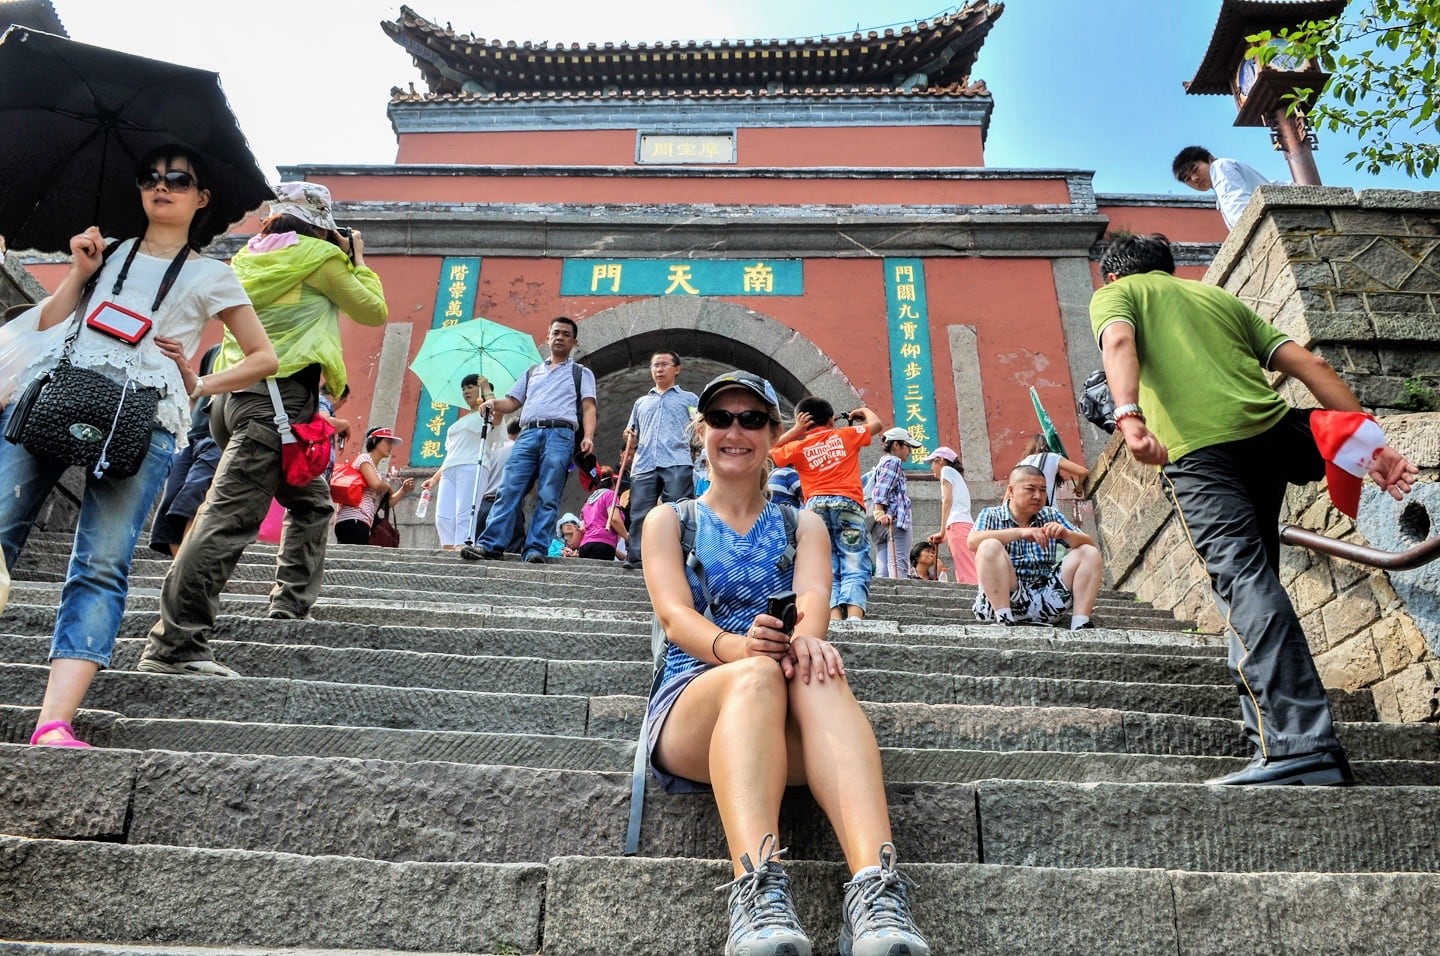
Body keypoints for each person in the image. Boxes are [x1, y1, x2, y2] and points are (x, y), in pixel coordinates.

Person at [1090, 232, 1417, 786]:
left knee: (1243, 582)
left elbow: (1118, 342)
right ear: (1171, 268)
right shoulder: (1218, 298)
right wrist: (1373, 442)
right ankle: (1269, 738)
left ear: (1115, 276)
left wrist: (1128, 416)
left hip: (1200, 455)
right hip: (1270, 437)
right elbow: (1312, 365)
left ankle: (1300, 746)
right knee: (1251, 583)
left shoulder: (1118, 295)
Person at [642, 370, 929, 956]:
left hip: (787, 714)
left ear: (774, 433)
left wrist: (802, 641)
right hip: (693, 706)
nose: (735, 431)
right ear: (702, 432)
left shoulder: (804, 525)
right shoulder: (670, 521)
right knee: (757, 673)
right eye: (721, 419)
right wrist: (743, 649)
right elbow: (675, 617)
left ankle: (877, 894)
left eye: (751, 419)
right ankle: (756, 890)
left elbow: (815, 603)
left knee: (818, 666)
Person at [1, 145, 278, 746]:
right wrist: (79, 270)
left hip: (143, 417)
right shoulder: (107, 252)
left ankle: (54, 722)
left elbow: (264, 358)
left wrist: (199, 381)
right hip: (58, 391)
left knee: (100, 564)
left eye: (179, 179)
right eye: (151, 177)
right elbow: (48, 324)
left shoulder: (213, 275)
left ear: (201, 197)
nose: (162, 186)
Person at [138, 181, 389, 674]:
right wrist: (357, 258)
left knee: (312, 503)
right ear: (322, 222)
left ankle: (289, 605)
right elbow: (373, 311)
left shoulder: (249, 256)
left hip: (231, 399)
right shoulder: (321, 259)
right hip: (278, 401)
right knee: (225, 518)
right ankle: (174, 645)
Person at [472, 316, 596, 564]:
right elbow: (512, 403)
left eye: (565, 334)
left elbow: (589, 406)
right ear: (548, 337)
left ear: (574, 341)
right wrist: (493, 402)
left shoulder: (580, 373)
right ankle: (490, 544)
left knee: (548, 494)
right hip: (528, 433)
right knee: (508, 490)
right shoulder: (531, 373)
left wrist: (589, 436)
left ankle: (535, 548)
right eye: (555, 333)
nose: (559, 337)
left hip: (560, 434)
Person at [771, 398, 883, 620]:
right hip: (848, 506)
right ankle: (854, 616)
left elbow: (769, 449)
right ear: (832, 420)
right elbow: (877, 425)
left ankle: (833, 617)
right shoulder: (845, 435)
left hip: (816, 511)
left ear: (803, 422)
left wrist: (795, 431)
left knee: (825, 563)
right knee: (853, 558)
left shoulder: (799, 446)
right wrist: (864, 410)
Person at [970, 464, 1104, 631]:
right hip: (1005, 597)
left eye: (1042, 490)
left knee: (1088, 552)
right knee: (989, 545)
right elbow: (972, 542)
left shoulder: (1050, 515)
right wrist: (1020, 532)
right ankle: (1004, 620)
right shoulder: (991, 514)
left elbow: (1090, 545)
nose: (1037, 496)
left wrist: (1065, 534)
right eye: (1030, 489)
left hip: (1046, 600)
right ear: (1011, 491)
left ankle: (1080, 623)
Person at [621, 350, 699, 570]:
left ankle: (680, 558)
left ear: (677, 369)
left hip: (677, 460)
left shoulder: (690, 399)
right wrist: (629, 437)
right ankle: (636, 557)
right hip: (644, 463)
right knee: (639, 514)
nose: (659, 369)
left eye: (664, 364)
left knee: (679, 512)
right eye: (655, 365)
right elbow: (631, 432)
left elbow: (699, 427)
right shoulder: (641, 402)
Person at [148, 343, 223, 556]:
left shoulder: (255, 352)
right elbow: (196, 391)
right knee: (172, 498)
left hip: (220, 436)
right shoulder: (213, 351)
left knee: (193, 495)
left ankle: (186, 567)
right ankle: (178, 567)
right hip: (191, 435)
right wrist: (181, 426)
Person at [422, 373, 495, 549]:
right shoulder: (459, 423)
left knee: (465, 513)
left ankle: (463, 546)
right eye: (463, 388)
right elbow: (450, 454)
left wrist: (486, 388)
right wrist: (434, 478)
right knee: (443, 516)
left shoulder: (487, 415)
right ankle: (448, 549)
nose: (466, 391)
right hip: (450, 470)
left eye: (470, 387)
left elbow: (496, 411)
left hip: (472, 466)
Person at [333, 427, 415, 545]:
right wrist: (388, 487)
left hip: (363, 521)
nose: (390, 446)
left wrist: (403, 490)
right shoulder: (364, 458)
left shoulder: (377, 474)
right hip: (354, 518)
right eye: (387, 442)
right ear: (375, 441)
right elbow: (376, 484)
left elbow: (387, 504)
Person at [1173, 145, 1271, 230]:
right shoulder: (1218, 194)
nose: (1194, 178)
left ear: (1210, 159)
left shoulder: (1219, 166)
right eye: (1187, 178)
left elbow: (1238, 207)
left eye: (1195, 169)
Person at [869, 426, 922, 579]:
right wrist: (879, 511)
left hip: (879, 525)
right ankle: (901, 598)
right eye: (908, 446)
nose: (910, 451)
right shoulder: (893, 461)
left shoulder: (881, 463)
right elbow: (882, 487)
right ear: (896, 445)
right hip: (894, 520)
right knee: (898, 565)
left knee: (883, 568)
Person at [923, 446, 977, 585]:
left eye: (932, 463)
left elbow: (947, 501)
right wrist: (944, 535)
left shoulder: (946, 470)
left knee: (965, 569)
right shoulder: (957, 476)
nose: (931, 468)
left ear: (940, 460)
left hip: (957, 525)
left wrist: (942, 531)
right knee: (968, 565)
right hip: (964, 525)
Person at [1018, 433, 1089, 506]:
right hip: (1047, 511)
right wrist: (1079, 488)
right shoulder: (1051, 457)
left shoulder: (1021, 464)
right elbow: (1083, 472)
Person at [578, 470, 627, 560]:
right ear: (612, 482)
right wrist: (628, 539)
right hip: (603, 545)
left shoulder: (587, 501)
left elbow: (582, 528)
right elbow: (614, 519)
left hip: (585, 545)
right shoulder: (610, 494)